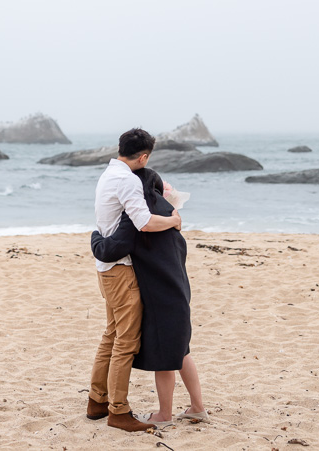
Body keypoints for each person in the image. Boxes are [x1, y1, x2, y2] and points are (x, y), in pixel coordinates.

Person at [91, 166, 209, 428]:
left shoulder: (141, 222)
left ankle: (164, 415)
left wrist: (95, 236)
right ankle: (197, 408)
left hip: (160, 298)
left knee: (164, 359)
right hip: (179, 293)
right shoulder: (170, 214)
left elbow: (112, 249)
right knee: (181, 352)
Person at [87, 128, 183, 433]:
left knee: (112, 335)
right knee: (125, 342)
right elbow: (144, 222)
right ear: (143, 157)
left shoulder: (108, 174)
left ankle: (97, 400)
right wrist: (173, 220)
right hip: (121, 270)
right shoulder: (128, 179)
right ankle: (118, 411)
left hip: (105, 268)